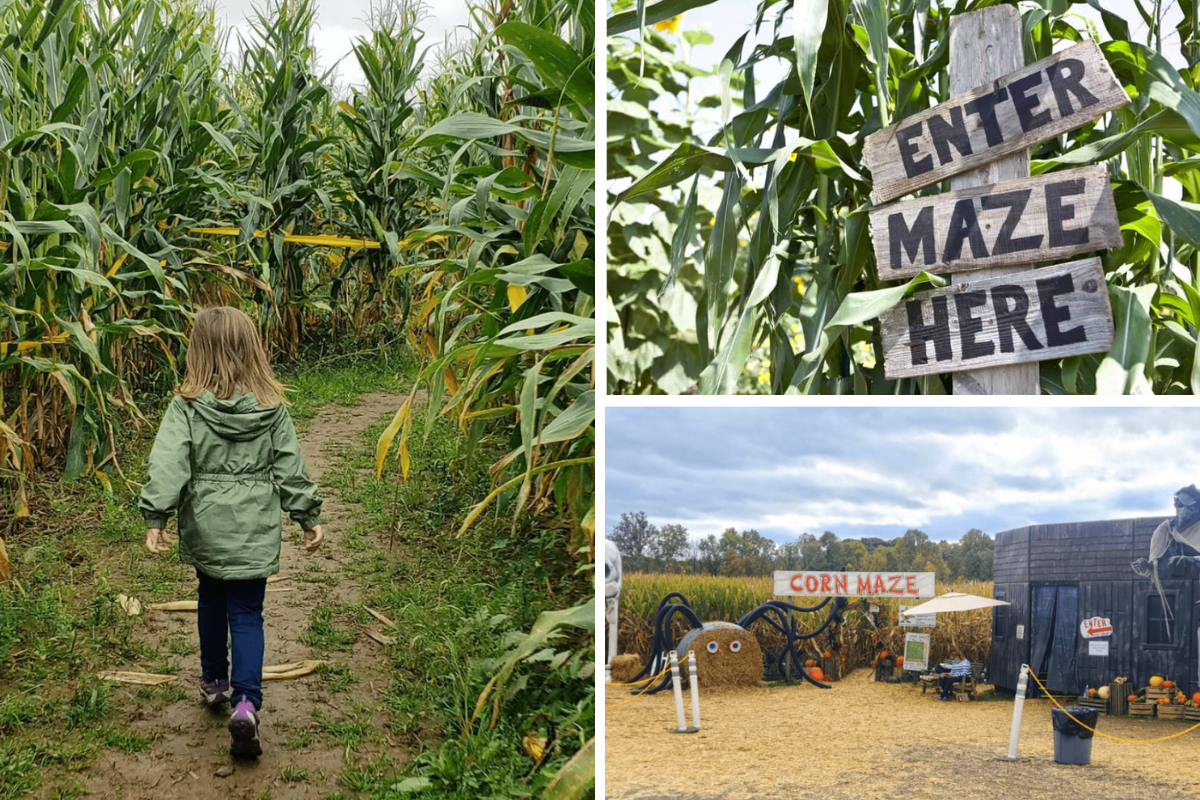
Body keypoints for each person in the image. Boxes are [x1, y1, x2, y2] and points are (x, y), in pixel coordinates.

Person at [139, 306, 324, 758]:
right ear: (252, 349)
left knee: (210, 596)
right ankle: (246, 703)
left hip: (206, 524)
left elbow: (168, 464)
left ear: (197, 351)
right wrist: (308, 516)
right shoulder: (271, 407)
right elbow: (291, 467)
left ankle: (214, 682)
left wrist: (156, 516)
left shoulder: (185, 406)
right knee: (246, 612)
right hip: (253, 528)